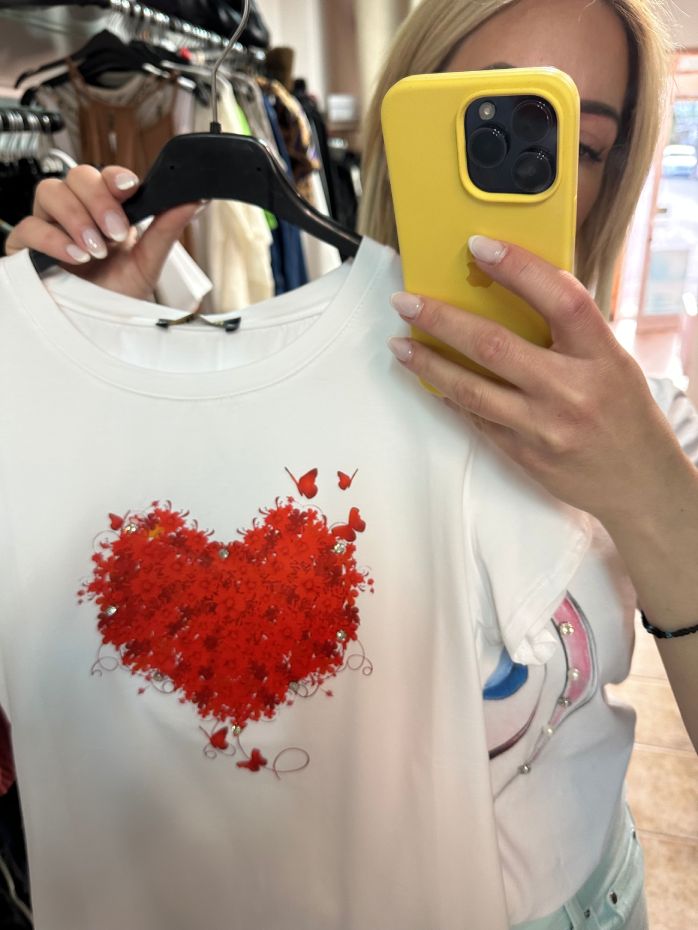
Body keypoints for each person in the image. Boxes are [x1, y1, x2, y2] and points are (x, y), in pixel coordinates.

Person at [2, 1, 697, 929]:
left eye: (575, 142)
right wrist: (86, 358)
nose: (515, 166)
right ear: (400, 126)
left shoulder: (652, 419)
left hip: (591, 890)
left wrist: (650, 485)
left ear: (615, 175)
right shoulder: (326, 369)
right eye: (474, 117)